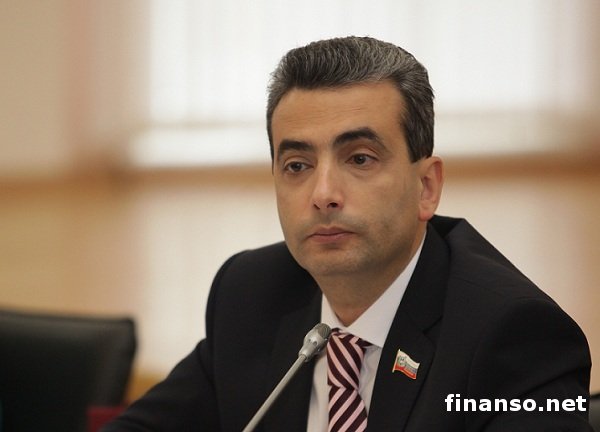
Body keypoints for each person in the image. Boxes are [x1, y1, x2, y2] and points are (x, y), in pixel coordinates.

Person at [103, 36, 592, 431]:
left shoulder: (515, 335)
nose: (323, 194)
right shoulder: (250, 294)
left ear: (426, 187)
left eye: (359, 159)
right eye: (297, 165)